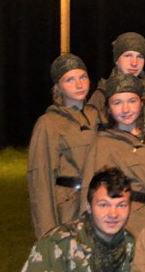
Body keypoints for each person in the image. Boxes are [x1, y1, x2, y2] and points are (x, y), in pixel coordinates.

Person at [27, 53, 101, 238]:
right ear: (58, 86)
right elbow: (41, 179)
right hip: (69, 210)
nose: (79, 84)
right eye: (70, 80)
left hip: (100, 206)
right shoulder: (49, 123)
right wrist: (47, 232)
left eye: (83, 77)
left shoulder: (99, 117)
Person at [80, 74, 145, 222]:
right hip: (123, 222)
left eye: (132, 101)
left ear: (141, 103)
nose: (125, 109)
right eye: (117, 103)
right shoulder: (103, 143)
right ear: (108, 108)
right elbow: (90, 193)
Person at [86, 31, 145, 117]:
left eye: (139, 57)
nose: (134, 63)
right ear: (116, 60)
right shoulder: (101, 96)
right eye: (128, 55)